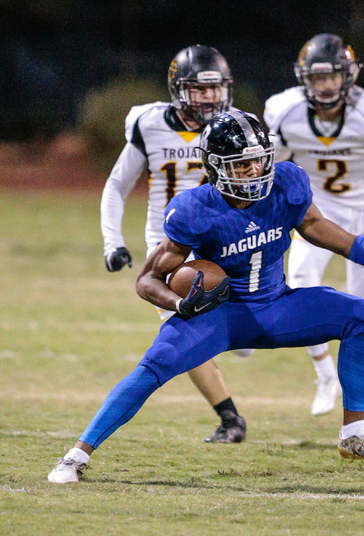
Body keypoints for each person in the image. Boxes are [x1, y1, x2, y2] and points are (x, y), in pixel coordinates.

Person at [48, 111, 364, 484]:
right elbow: (147, 279)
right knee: (153, 367)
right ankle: (76, 456)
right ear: (214, 167)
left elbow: (340, 238)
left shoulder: (287, 183)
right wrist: (179, 305)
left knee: (362, 315)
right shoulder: (194, 208)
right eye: (241, 163)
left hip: (277, 307)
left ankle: (354, 435)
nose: (254, 169)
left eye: (259, 158)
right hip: (220, 313)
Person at [100, 45, 250, 444]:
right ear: (178, 90)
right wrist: (111, 241)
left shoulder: (234, 126)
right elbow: (118, 184)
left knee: (238, 322)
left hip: (219, 238)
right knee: (179, 325)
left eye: (216, 89)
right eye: (200, 90)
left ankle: (239, 338)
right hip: (167, 243)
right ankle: (231, 418)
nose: (211, 98)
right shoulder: (147, 122)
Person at [264, 34, 364, 422]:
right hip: (314, 214)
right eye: (318, 77)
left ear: (349, 76)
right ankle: (326, 376)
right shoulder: (285, 112)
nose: (325, 86)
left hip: (361, 212)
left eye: (333, 77)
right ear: (303, 78)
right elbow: (274, 169)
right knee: (301, 285)